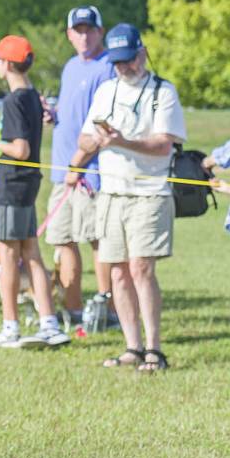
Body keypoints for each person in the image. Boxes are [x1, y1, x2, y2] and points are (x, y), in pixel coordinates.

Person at [78, 24, 185, 373]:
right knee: (117, 273)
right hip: (111, 192)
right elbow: (83, 141)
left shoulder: (162, 92)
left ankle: (154, 349)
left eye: (128, 60)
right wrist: (95, 142)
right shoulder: (106, 90)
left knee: (141, 268)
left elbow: (164, 143)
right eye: (117, 63)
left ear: (142, 53)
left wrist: (122, 141)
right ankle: (132, 347)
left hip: (149, 193)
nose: (124, 68)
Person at [0, 35, 68, 349]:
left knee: (8, 257)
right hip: (27, 184)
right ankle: (49, 324)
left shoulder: (14, 100)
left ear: (7, 63)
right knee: (32, 255)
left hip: (12, 185)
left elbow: (20, 149)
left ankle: (10, 326)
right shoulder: (31, 96)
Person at [44, 6, 117, 326]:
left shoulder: (108, 68)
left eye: (90, 29)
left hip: (90, 174)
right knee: (62, 239)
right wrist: (53, 114)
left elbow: (103, 127)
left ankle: (108, 312)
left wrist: (80, 165)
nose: (84, 36)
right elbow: (71, 112)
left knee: (97, 240)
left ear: (100, 31)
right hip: (62, 171)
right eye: (78, 30)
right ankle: (73, 312)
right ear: (69, 34)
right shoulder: (71, 67)